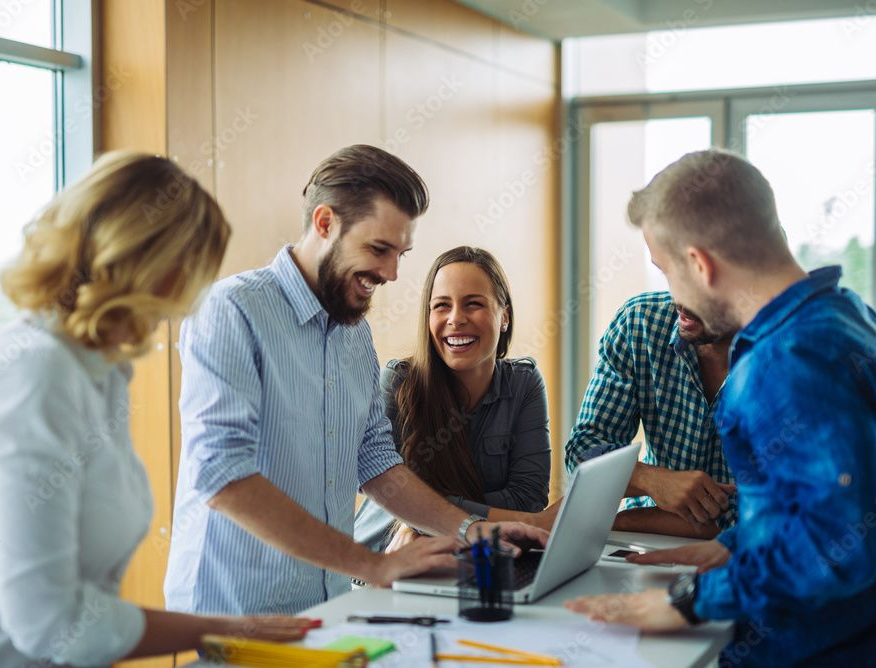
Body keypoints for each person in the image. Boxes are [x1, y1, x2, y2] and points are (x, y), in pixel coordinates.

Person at [565, 149, 876, 667]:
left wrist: (687, 600)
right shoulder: (855, 320)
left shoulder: (786, 361)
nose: (671, 294)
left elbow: (842, 546)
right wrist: (735, 546)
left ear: (700, 264)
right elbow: (824, 508)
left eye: (667, 271)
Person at [164, 145, 546, 616]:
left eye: (401, 253)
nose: (391, 273)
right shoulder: (233, 311)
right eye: (379, 249)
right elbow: (221, 477)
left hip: (327, 604)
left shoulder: (354, 333)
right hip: (233, 611)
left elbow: (376, 462)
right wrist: (372, 563)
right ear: (325, 224)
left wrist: (468, 529)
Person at [0, 152, 317, 667]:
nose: (185, 305)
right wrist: (225, 629)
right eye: (187, 277)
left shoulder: (102, 373)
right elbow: (50, 624)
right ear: (142, 262)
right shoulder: (39, 374)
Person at [355, 246, 557, 552]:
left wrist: (430, 518)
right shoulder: (399, 382)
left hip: (474, 555)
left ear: (504, 316)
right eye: (441, 306)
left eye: (473, 304)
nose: (455, 319)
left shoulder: (524, 384)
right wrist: (445, 519)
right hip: (381, 562)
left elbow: (527, 499)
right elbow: (388, 488)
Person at [565, 291, 737, 538]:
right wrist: (651, 479)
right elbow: (582, 452)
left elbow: (776, 519)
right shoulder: (639, 321)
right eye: (669, 270)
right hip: (643, 543)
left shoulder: (790, 348)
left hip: (753, 562)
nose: (679, 297)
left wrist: (625, 521)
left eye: (694, 279)